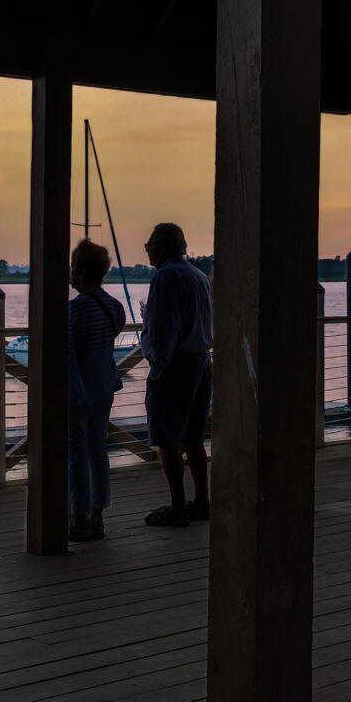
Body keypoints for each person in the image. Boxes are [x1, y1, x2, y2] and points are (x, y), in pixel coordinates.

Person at [139, 222, 212, 527]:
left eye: (149, 245)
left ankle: (178, 507)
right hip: (202, 361)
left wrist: (158, 367)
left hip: (177, 365)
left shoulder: (166, 276)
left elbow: (164, 328)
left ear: (162, 247)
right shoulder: (198, 276)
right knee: (193, 437)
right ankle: (202, 501)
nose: (147, 251)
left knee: (167, 438)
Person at [65, 239, 127, 542]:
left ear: (79, 271)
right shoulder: (115, 307)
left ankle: (79, 516)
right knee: (98, 449)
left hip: (78, 390)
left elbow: (66, 349)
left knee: (77, 452)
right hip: (104, 387)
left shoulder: (74, 310)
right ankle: (98, 515)